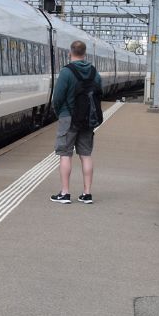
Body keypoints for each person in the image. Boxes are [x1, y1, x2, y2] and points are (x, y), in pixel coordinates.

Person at [50, 40, 102, 204]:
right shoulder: (94, 72)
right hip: (87, 119)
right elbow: (100, 93)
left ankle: (65, 193)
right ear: (85, 53)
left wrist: (61, 113)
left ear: (69, 53)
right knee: (86, 155)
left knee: (65, 154)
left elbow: (57, 97)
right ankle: (87, 194)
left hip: (68, 118)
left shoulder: (66, 72)